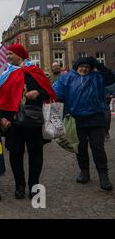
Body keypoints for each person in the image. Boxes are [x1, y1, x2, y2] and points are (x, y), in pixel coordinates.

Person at [0, 44, 55, 199]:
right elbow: (0, 97)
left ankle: (34, 185)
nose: (7, 57)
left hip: (33, 120)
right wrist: (1, 116)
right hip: (13, 121)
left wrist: (38, 93)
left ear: (19, 56)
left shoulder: (35, 72)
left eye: (10, 54)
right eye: (7, 54)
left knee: (35, 153)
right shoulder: (7, 73)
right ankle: (19, 185)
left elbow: (48, 92)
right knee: (15, 153)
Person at [53, 57, 113, 191]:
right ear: (76, 66)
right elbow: (56, 93)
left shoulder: (97, 77)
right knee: (80, 148)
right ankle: (84, 171)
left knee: (98, 148)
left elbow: (110, 78)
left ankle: (103, 175)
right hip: (76, 120)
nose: (84, 68)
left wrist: (97, 64)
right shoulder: (66, 78)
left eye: (88, 66)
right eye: (82, 66)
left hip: (95, 119)